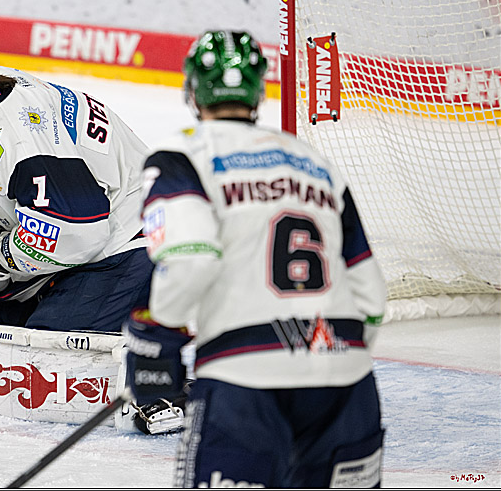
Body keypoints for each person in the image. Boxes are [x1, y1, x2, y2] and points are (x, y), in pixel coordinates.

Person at [122, 30, 387, 487]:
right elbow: (373, 299)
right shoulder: (315, 162)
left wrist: (159, 337)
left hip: (245, 380)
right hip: (348, 383)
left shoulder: (182, 157)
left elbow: (191, 259)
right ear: (259, 93)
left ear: (191, 91)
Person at [0, 38, 179, 433]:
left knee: (46, 347)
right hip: (100, 230)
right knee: (2, 322)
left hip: (136, 239)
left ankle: (173, 366)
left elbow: (84, 233)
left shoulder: (19, 136)